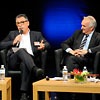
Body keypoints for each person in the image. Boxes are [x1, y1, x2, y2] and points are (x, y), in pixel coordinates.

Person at [0, 14, 50, 100]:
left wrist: (43, 46)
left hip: (29, 60)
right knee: (21, 50)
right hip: (14, 60)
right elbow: (1, 44)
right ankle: (35, 69)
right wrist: (13, 42)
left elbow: (47, 44)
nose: (20, 25)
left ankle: (23, 94)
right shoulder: (13, 33)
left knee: (24, 64)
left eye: (22, 22)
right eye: (18, 23)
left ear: (28, 23)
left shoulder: (36, 34)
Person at [59, 16, 100, 100]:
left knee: (71, 59)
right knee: (72, 60)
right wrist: (71, 51)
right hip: (75, 59)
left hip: (87, 61)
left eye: (84, 26)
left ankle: (69, 91)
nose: (81, 28)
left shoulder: (97, 36)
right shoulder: (78, 33)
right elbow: (64, 43)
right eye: (81, 25)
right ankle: (75, 93)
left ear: (91, 28)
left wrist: (88, 51)